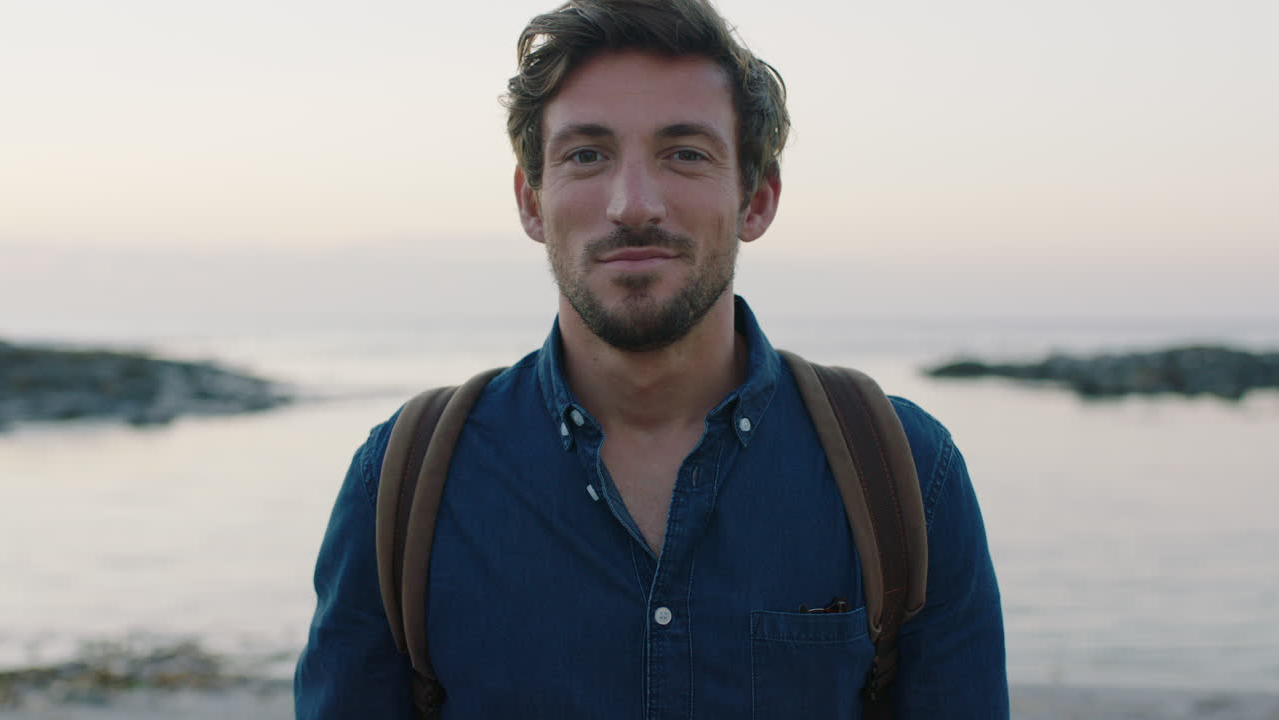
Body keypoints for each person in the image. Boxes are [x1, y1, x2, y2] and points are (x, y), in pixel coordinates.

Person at [294, 0, 1008, 717]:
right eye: (586, 155)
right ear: (531, 202)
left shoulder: (907, 473)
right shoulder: (402, 481)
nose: (632, 204)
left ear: (757, 200)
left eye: (685, 154)